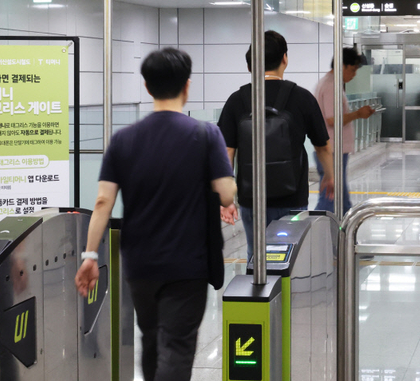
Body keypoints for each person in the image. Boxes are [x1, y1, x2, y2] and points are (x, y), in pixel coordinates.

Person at [74, 48, 236, 381]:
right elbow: (226, 193)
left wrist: (90, 255)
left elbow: (103, 202)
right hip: (187, 263)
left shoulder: (123, 140)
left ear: (147, 87)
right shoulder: (205, 135)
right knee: (176, 348)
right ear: (187, 86)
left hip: (140, 263)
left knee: (150, 340)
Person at [217, 30, 334, 263]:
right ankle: (287, 298)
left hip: (251, 198)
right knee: (291, 259)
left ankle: (259, 295)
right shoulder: (302, 97)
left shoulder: (236, 100)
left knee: (256, 256)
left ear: (250, 67)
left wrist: (226, 199)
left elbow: (225, 153)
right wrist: (329, 176)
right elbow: (322, 146)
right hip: (293, 196)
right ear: (285, 59)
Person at [314, 47, 375, 215]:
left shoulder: (332, 83)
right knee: (330, 198)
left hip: (334, 150)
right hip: (331, 150)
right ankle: (320, 233)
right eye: (353, 69)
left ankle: (345, 232)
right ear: (342, 65)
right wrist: (358, 114)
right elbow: (331, 119)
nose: (354, 74)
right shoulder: (330, 85)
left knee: (340, 198)